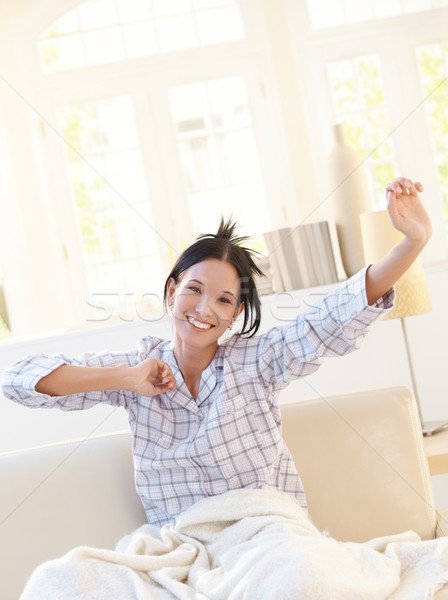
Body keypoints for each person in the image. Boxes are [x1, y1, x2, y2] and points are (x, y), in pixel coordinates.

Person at [2, 176, 432, 529]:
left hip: (267, 538)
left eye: (224, 300)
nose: (205, 310)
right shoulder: (138, 369)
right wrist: (126, 378)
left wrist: (412, 242)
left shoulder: (257, 363)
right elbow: (18, 380)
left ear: (236, 313)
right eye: (194, 290)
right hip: (184, 552)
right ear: (172, 291)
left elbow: (331, 317)